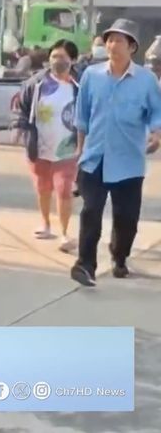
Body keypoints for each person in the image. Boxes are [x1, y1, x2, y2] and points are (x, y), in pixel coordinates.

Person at [71, 19, 161, 286]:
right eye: (109, 40)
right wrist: (80, 151)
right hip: (95, 158)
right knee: (91, 211)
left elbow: (156, 112)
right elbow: (82, 117)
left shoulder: (146, 80)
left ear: (132, 47)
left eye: (119, 40)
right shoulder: (91, 76)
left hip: (129, 161)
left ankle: (119, 256)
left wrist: (156, 134)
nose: (112, 45)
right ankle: (85, 265)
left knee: (126, 219)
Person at [15, 40, 81, 252]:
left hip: (68, 148)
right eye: (54, 56)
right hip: (40, 145)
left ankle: (65, 233)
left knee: (64, 190)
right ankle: (45, 223)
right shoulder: (36, 84)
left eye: (62, 57)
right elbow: (21, 108)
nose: (57, 61)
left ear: (73, 60)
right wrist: (19, 128)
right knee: (43, 187)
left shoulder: (79, 86)